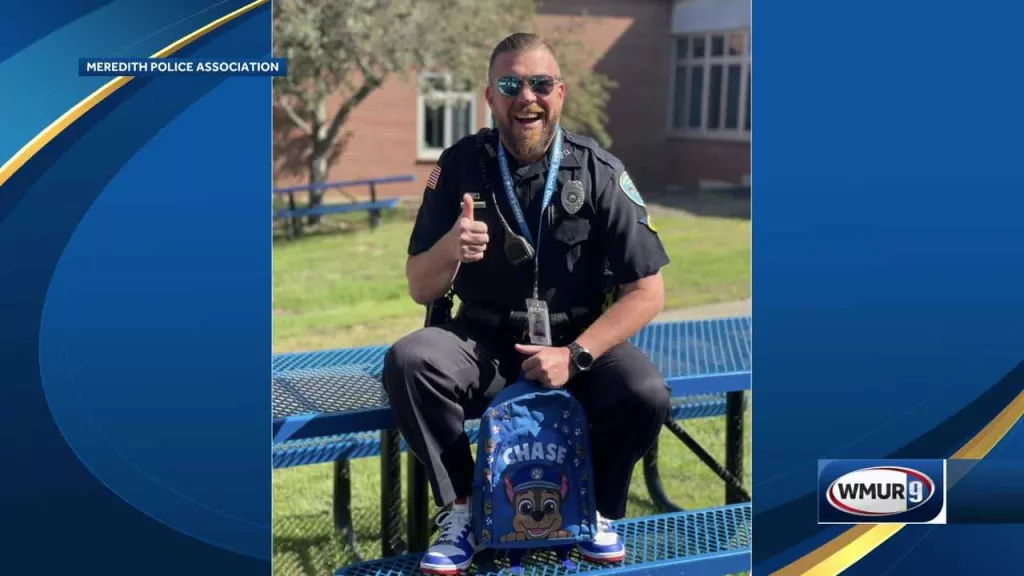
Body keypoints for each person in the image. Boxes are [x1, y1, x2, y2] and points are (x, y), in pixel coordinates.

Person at [382, 32, 671, 575]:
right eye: (511, 84)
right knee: (410, 360)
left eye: (540, 84)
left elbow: (648, 292)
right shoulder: (458, 165)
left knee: (645, 391)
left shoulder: (598, 171)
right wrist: (450, 247)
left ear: (560, 93)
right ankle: (463, 510)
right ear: (490, 96)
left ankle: (598, 509)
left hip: (576, 346)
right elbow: (421, 287)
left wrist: (577, 354)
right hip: (482, 342)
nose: (527, 98)